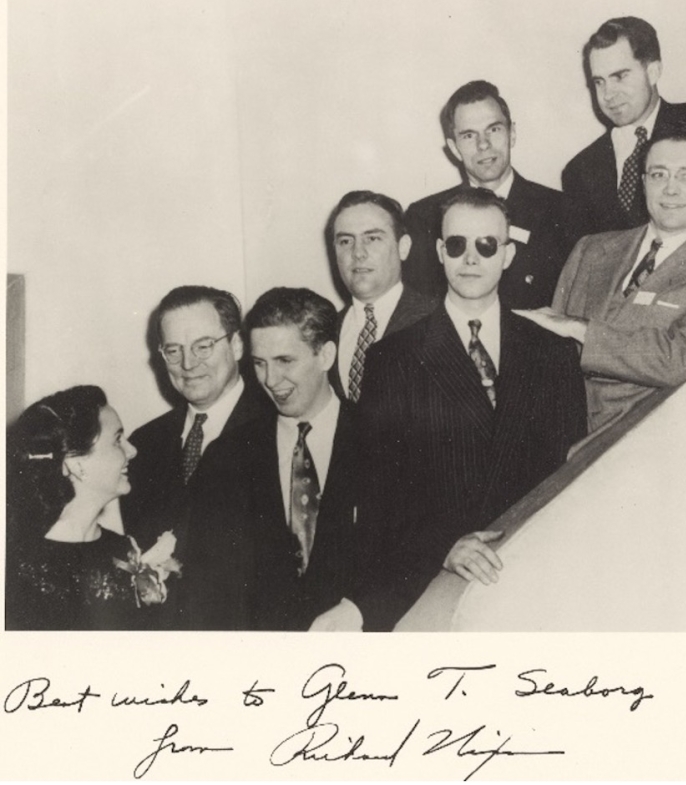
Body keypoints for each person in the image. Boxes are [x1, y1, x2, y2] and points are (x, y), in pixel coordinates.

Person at [312, 188, 587, 632]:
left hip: (533, 571)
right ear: (440, 252)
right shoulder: (393, 358)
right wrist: (443, 545)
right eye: (457, 245)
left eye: (487, 245)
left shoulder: (552, 352)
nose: (471, 259)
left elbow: (569, 477)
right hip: (439, 577)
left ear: (508, 255)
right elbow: (381, 496)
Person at [522, 128, 686, 438]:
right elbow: (551, 354)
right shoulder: (591, 248)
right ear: (643, 184)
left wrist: (580, 329)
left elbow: (676, 360)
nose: (670, 190)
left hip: (640, 446)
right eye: (659, 175)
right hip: (551, 432)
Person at [184, 288, 359, 630]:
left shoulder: (385, 440)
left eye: (284, 361)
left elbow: (409, 556)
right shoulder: (226, 458)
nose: (270, 380)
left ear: (326, 355)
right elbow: (207, 592)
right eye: (260, 364)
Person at [6, 386, 178, 630]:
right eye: (117, 440)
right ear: (76, 464)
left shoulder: (123, 549)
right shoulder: (20, 567)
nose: (132, 450)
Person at [121, 286, 272, 553]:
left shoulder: (276, 429)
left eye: (202, 347)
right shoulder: (144, 444)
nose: (188, 364)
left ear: (236, 345)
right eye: (174, 351)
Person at [402, 80, 573, 309]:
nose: (484, 145)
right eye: (469, 135)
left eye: (493, 129)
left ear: (512, 134)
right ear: (454, 148)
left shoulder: (562, 211)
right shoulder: (424, 218)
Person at [563, 17, 686, 241]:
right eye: (599, 82)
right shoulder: (579, 170)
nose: (608, 94)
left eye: (620, 76)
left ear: (653, 71)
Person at [326, 190, 437, 401]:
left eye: (373, 238)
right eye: (346, 241)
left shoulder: (438, 319)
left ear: (403, 247)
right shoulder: (325, 331)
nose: (358, 252)